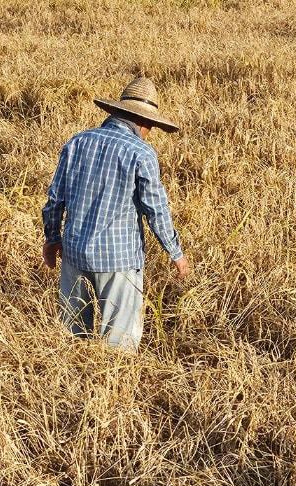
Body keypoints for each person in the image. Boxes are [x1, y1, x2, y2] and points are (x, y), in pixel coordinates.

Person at [42, 76, 192, 350]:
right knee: (119, 346)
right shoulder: (141, 153)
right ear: (144, 122)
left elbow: (54, 200)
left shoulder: (77, 142)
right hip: (119, 260)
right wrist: (176, 253)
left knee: (72, 338)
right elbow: (155, 210)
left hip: (73, 254)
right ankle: (112, 389)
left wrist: (52, 239)